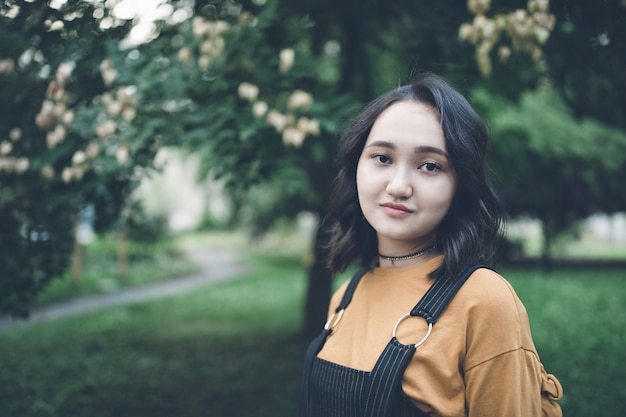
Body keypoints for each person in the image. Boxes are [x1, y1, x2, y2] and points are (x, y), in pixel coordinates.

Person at [299, 73, 563, 417]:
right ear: (356, 167)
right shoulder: (345, 296)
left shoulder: (483, 301)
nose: (398, 186)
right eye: (382, 158)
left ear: (460, 185)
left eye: (429, 166)